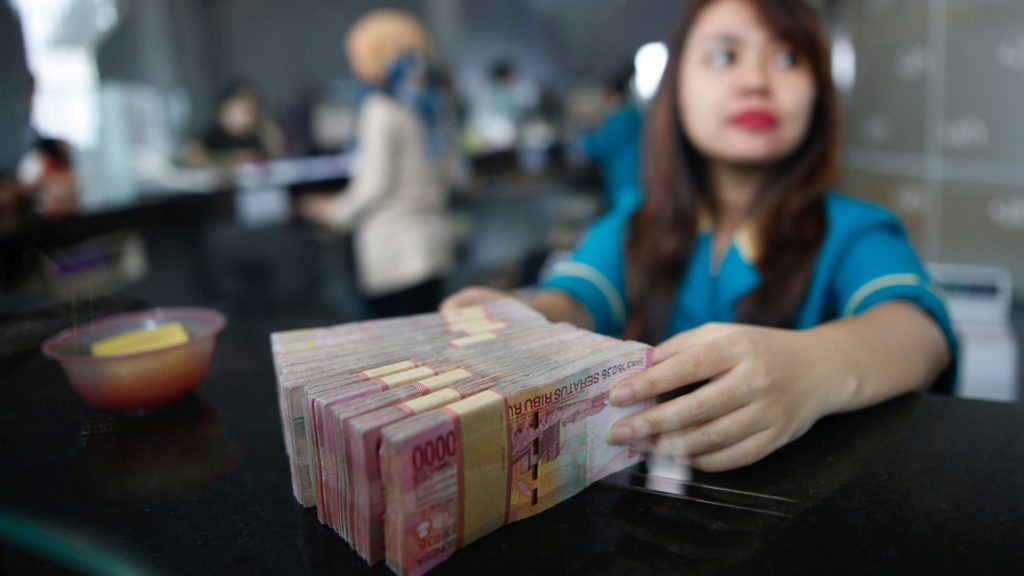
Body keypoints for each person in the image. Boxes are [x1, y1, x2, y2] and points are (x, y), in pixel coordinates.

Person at [442, 0, 955, 473]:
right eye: (725, 55)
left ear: (818, 95)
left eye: (787, 59)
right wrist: (522, 318)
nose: (756, 80)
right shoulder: (636, 224)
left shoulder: (854, 230)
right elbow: (575, 298)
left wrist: (815, 366)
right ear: (675, 89)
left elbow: (918, 333)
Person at [299, 10, 455, 318]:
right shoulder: (431, 105)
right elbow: (450, 173)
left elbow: (375, 184)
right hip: (433, 245)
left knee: (402, 357)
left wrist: (332, 211)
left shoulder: (379, 107)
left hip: (395, 251)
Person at [582, 62, 644, 213]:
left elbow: (600, 149)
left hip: (624, 180)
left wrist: (587, 134)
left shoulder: (619, 117)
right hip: (638, 176)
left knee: (625, 219)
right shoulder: (633, 113)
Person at [182, 79, 285, 165]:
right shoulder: (211, 136)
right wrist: (231, 158)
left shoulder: (259, 135)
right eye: (244, 110)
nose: (248, 117)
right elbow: (190, 156)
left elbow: (276, 158)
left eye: (252, 110)